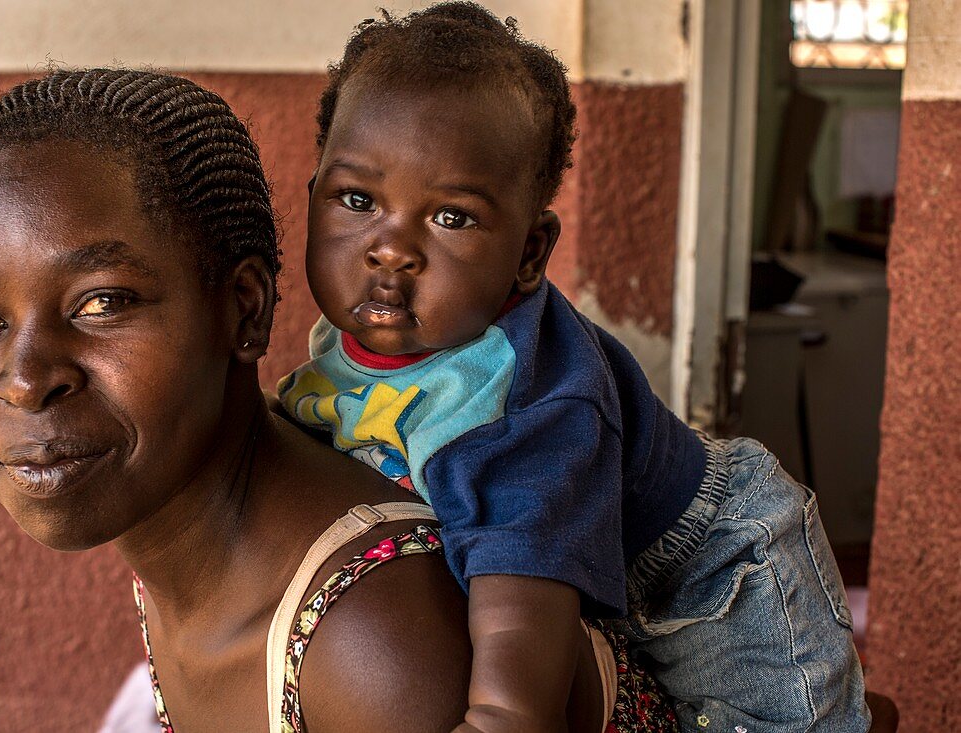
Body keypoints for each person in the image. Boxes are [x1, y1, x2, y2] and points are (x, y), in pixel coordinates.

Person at [0, 68, 673, 732]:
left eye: (102, 303)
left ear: (245, 311)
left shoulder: (373, 641)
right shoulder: (179, 545)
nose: (25, 379)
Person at [277, 4, 872, 731]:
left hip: (713, 578)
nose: (390, 247)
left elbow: (519, 615)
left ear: (530, 253)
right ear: (312, 203)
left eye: (451, 217)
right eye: (358, 200)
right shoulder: (346, 344)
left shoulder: (524, 405)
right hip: (593, 559)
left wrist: (498, 715)